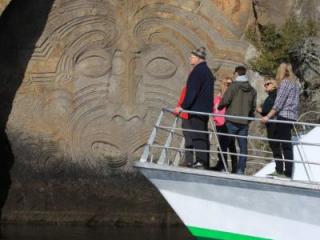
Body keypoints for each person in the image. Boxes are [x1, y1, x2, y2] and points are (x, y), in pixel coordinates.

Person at [176, 46, 215, 169]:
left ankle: (201, 162)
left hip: (196, 109)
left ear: (199, 58)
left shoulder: (197, 71)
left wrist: (183, 106)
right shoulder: (207, 71)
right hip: (204, 109)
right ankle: (204, 162)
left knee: (198, 136)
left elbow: (192, 91)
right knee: (202, 135)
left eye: (192, 57)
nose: (190, 59)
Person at [261, 63, 300, 178]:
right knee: (285, 144)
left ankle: (286, 173)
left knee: (284, 145)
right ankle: (282, 170)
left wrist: (267, 116)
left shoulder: (285, 83)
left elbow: (278, 104)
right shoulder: (295, 83)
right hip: (292, 116)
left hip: (284, 116)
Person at [218, 66, 257, 174]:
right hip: (243, 122)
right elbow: (253, 107)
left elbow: (226, 100)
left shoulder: (234, 87)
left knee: (223, 144)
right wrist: (247, 119)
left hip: (231, 120)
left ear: (236, 73)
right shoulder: (252, 90)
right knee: (243, 147)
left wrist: (220, 107)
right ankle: (240, 170)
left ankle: (222, 167)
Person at [211, 77, 237, 173]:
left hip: (227, 123)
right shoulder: (218, 97)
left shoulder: (231, 96)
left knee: (228, 146)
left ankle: (226, 166)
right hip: (219, 123)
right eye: (226, 83)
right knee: (225, 145)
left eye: (230, 84)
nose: (228, 86)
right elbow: (214, 107)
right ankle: (223, 165)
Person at [256, 78, 280, 174]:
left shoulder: (275, 95)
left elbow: (272, 108)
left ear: (274, 85)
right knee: (274, 146)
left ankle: (279, 169)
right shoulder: (271, 95)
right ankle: (278, 168)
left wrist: (261, 110)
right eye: (265, 84)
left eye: (268, 84)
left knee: (275, 146)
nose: (265, 85)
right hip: (271, 123)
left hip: (274, 124)